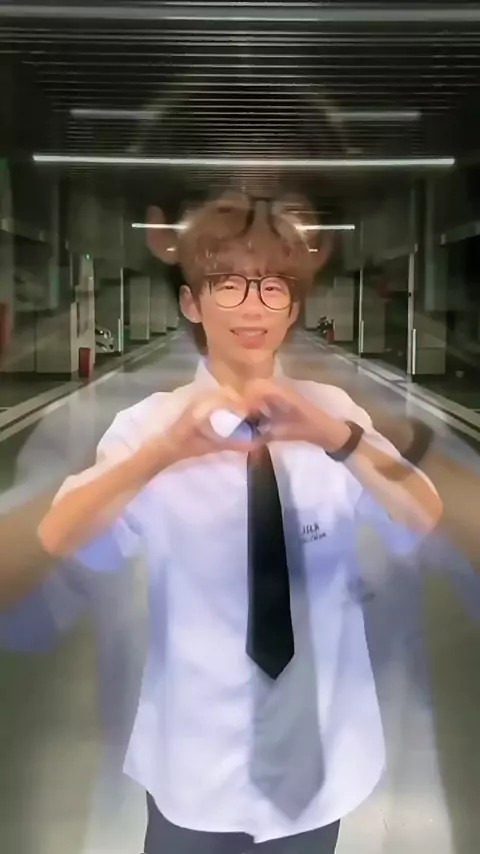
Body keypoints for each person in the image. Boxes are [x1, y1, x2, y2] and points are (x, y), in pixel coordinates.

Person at [0, 189, 442, 853]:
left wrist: (338, 438)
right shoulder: (146, 428)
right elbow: (57, 536)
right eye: (227, 283)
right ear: (192, 303)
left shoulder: (333, 414)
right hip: (193, 766)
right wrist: (159, 456)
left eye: (272, 287)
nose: (251, 306)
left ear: (292, 308)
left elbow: (423, 514)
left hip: (318, 763)